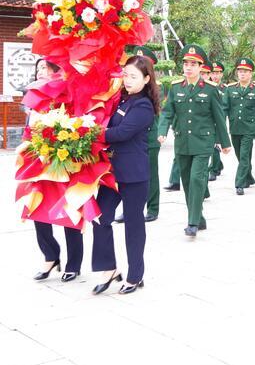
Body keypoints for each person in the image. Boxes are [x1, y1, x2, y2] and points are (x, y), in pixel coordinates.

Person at [91, 55, 159, 295]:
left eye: (134, 76)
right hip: (111, 173)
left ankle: (135, 276)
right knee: (99, 217)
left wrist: (92, 132)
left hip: (134, 174)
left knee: (133, 224)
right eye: (125, 74)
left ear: (146, 79)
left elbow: (121, 133)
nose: (127, 80)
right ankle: (108, 267)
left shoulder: (143, 106)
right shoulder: (120, 99)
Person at [158, 44, 231, 237]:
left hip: (203, 142)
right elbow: (167, 113)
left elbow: (219, 118)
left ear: (201, 67)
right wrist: (162, 130)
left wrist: (225, 143)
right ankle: (199, 217)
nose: (188, 67)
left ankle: (192, 223)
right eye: (186, 63)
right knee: (187, 182)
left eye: (193, 64)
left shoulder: (210, 89)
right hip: (182, 142)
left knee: (197, 179)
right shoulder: (175, 88)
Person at [28, 59, 84, 283]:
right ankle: (50, 256)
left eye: (45, 68)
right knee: (37, 209)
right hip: (39, 161)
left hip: (64, 161)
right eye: (38, 69)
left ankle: (74, 263)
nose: (40, 72)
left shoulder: (67, 94)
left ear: (56, 72)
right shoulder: (34, 97)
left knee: (69, 210)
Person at [115, 46, 162, 223]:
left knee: (150, 176)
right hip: (133, 140)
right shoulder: (125, 92)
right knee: (130, 181)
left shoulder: (155, 89)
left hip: (149, 138)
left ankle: (153, 207)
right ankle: (130, 210)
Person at [224, 58, 255, 195]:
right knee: (241, 155)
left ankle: (239, 184)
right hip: (235, 127)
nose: (242, 74)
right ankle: (248, 177)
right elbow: (224, 108)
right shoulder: (230, 89)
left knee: (243, 156)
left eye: (245, 71)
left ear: (251, 73)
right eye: (240, 71)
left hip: (250, 128)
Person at [208, 60, 226, 181]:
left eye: (218, 73)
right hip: (209, 119)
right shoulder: (207, 88)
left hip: (221, 120)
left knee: (217, 144)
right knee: (213, 144)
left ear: (221, 74)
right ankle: (215, 168)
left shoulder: (226, 89)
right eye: (213, 73)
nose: (215, 76)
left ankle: (216, 166)